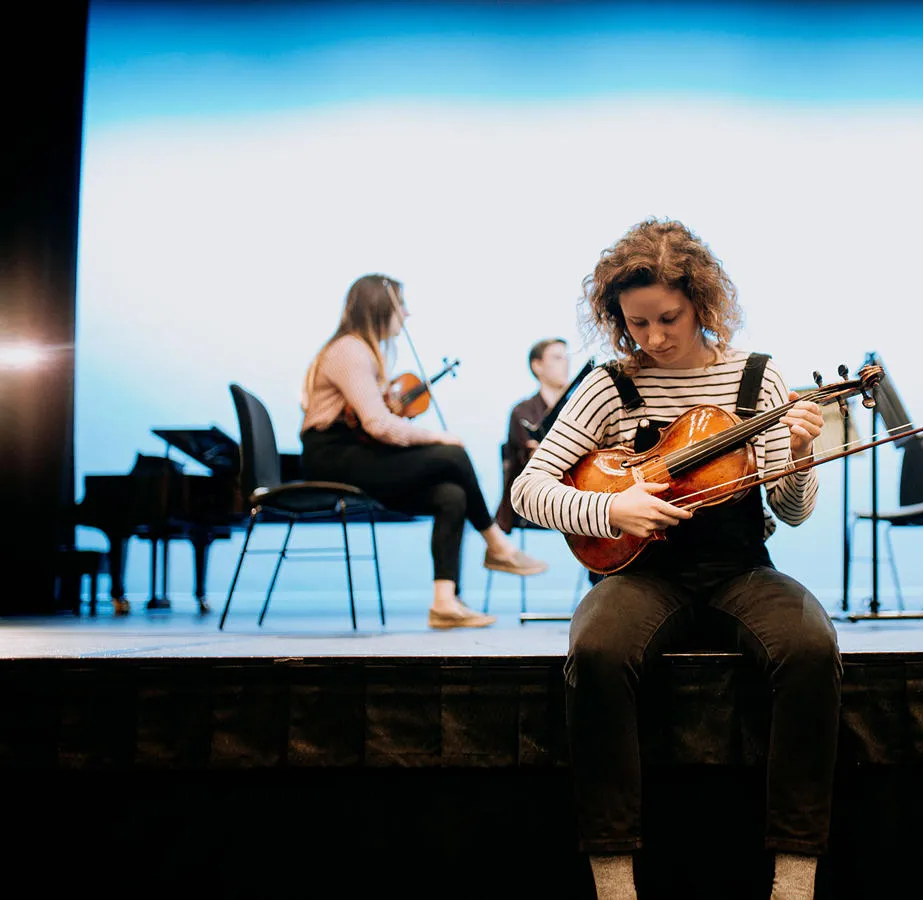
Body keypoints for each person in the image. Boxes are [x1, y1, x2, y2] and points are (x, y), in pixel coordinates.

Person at [512, 218, 840, 900]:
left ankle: (794, 875)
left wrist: (801, 453)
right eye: (636, 324)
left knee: (810, 646)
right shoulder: (609, 385)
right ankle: (614, 878)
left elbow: (791, 510)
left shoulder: (758, 380)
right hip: (641, 572)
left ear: (702, 305)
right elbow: (528, 489)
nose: (653, 339)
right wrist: (612, 510)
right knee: (597, 651)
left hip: (740, 568)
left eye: (669, 319)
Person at [299, 273, 547, 630]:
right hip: (333, 456)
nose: (407, 314)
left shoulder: (363, 352)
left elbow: (375, 423)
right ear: (381, 307)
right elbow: (377, 424)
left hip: (353, 453)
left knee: (451, 494)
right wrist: (437, 438)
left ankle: (444, 603)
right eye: (401, 305)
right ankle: (496, 543)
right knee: (452, 454)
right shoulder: (350, 350)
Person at [494, 336, 571, 532]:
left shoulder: (577, 407)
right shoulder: (522, 411)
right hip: (534, 499)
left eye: (566, 357)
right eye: (557, 358)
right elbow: (534, 457)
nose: (566, 364)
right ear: (537, 366)